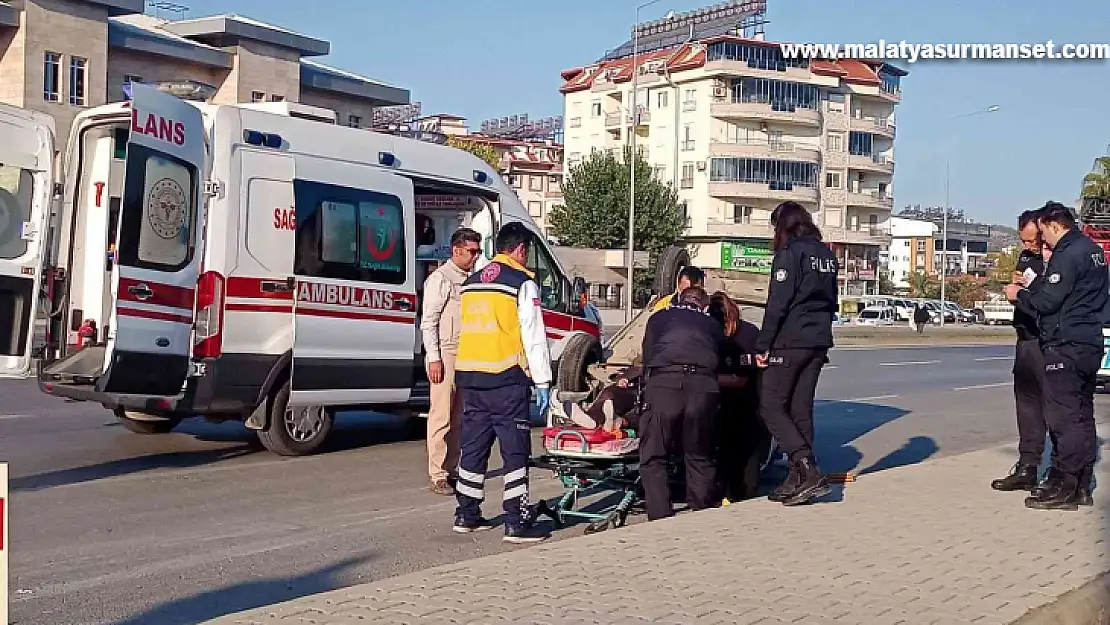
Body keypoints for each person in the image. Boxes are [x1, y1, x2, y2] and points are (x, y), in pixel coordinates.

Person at [452, 222, 554, 543]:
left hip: (471, 377)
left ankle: (466, 514)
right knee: (514, 451)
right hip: (507, 379)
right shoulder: (521, 284)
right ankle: (516, 520)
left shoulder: (471, 282)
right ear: (521, 249)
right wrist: (543, 381)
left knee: (473, 448)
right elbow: (533, 336)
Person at [1004, 202, 1108, 510]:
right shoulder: (1093, 250)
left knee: (1063, 419)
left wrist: (1019, 294)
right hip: (1089, 342)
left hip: (1066, 344)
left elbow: (1048, 302)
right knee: (1081, 416)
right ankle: (1081, 484)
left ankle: (1062, 483)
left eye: (1043, 233)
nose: (1042, 242)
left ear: (1053, 225)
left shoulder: (1068, 252)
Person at [755, 201, 839, 507]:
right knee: (800, 409)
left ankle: (807, 466)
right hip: (819, 340)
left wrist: (763, 345)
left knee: (771, 405)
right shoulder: (827, 255)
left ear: (783, 226)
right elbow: (832, 301)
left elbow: (778, 304)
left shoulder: (790, 254)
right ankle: (796, 479)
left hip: (791, 340)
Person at [638, 286, 724, 520]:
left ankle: (660, 515)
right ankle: (701, 512)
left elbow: (648, 357)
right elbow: (720, 359)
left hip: (665, 384)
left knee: (654, 454)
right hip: (703, 388)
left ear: (678, 299)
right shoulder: (713, 325)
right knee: (699, 453)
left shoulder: (658, 317)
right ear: (704, 307)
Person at [991, 209, 1051, 493]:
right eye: (1023, 241)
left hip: (1047, 340)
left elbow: (1050, 300)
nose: (1028, 247)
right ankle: (1027, 466)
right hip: (1025, 336)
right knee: (1026, 406)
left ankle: (1061, 472)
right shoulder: (1027, 257)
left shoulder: (1056, 259)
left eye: (1032, 241)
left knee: (1052, 407)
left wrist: (1027, 290)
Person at [420, 228, 482, 495]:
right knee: (441, 415)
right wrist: (434, 358)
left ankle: (453, 468)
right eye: (472, 252)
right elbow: (428, 322)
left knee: (459, 416)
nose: (476, 257)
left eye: (478, 252)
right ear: (456, 250)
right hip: (445, 353)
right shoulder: (441, 279)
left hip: (466, 353)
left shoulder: (471, 280)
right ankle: (438, 473)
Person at [709, 291, 771, 503]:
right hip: (739, 402)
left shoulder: (745, 334)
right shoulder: (746, 332)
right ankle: (739, 495)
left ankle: (740, 495)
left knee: (740, 453)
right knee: (736, 453)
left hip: (744, 402)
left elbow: (747, 368)